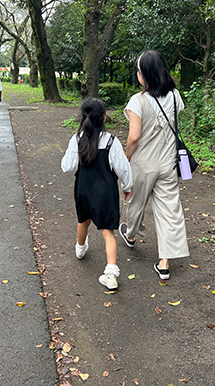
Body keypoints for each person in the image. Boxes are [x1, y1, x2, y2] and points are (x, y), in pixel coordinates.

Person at [119, 50, 189, 280]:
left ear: (144, 75)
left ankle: (130, 235)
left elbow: (134, 137)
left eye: (139, 71)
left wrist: (127, 156)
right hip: (169, 163)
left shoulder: (137, 101)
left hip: (143, 163)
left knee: (135, 202)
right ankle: (165, 262)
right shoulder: (176, 96)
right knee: (170, 210)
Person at [61, 98, 133, 290]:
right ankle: (110, 273)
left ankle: (80, 248)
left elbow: (67, 167)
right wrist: (127, 187)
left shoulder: (77, 139)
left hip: (83, 190)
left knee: (82, 221)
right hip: (105, 193)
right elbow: (123, 169)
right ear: (104, 117)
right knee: (107, 232)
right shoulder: (111, 141)